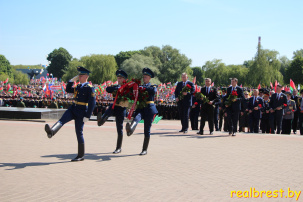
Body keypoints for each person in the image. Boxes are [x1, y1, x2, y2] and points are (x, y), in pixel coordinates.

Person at [44, 66, 95, 161]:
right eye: (78, 75)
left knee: (79, 132)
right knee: (62, 120)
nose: (79, 77)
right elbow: (68, 89)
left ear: (86, 76)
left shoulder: (90, 88)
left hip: (82, 111)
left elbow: (92, 103)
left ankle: (80, 155)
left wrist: (88, 116)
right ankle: (51, 131)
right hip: (73, 108)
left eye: (81, 75)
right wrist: (72, 80)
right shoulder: (78, 86)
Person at [125, 67, 158, 155]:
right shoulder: (139, 86)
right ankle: (131, 129)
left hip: (149, 109)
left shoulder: (153, 86)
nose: (144, 78)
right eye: (143, 77)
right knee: (136, 118)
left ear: (150, 78)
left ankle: (144, 149)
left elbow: (153, 91)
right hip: (141, 108)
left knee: (146, 130)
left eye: (146, 77)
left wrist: (143, 88)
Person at [97, 69, 128, 154]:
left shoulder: (127, 88)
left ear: (125, 79)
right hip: (114, 106)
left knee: (119, 128)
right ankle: (101, 120)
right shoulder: (115, 86)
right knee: (107, 113)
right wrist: (116, 88)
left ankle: (118, 148)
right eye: (118, 78)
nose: (119, 79)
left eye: (121, 78)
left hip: (121, 108)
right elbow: (108, 89)